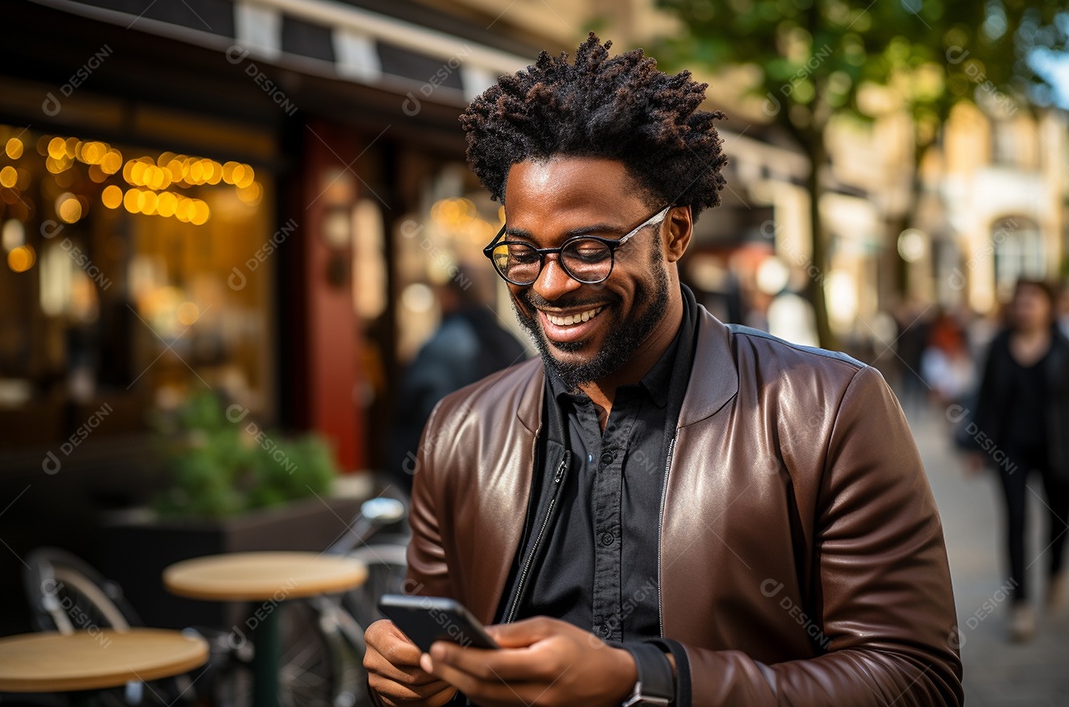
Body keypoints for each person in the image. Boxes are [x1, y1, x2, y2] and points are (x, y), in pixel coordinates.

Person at [364, 34, 962, 707]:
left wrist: (649, 681)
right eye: (523, 252)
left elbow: (917, 682)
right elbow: (431, 643)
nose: (551, 285)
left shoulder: (830, 408)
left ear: (674, 234)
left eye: (588, 248)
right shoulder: (459, 430)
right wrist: (409, 680)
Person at [967, 278, 1069, 641]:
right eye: (1020, 302)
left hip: (1058, 449)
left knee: (1059, 522)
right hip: (1010, 448)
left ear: (1048, 306)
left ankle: (1056, 570)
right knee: (1016, 520)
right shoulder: (999, 346)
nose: (1024, 308)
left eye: (1032, 302)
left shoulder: (1062, 347)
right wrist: (976, 446)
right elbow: (985, 396)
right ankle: (1020, 605)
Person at [385, 266, 526, 494]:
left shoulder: (445, 345)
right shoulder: (510, 341)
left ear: (450, 296)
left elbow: (428, 419)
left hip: (455, 485)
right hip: (509, 479)